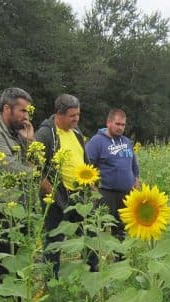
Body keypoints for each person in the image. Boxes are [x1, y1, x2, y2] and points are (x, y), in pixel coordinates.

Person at [35, 94, 97, 276]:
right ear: (59, 114)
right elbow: (35, 168)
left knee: (89, 236)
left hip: (80, 195)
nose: (76, 119)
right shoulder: (46, 134)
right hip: (57, 197)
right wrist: (51, 192)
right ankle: (50, 280)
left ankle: (92, 274)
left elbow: (85, 160)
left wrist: (92, 184)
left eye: (78, 114)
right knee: (54, 240)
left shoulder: (77, 133)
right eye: (72, 115)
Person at [0, 87, 34, 284]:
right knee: (1, 270)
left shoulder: (18, 134)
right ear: (7, 109)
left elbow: (34, 162)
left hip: (19, 209)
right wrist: (34, 172)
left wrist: (30, 141)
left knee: (19, 268)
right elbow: (12, 169)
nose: (26, 117)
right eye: (22, 111)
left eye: (28, 111)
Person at [85, 109, 140, 240]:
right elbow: (87, 164)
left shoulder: (126, 142)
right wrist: (92, 188)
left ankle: (119, 257)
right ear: (108, 123)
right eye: (117, 124)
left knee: (122, 228)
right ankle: (98, 256)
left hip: (126, 193)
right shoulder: (97, 141)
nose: (120, 128)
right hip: (106, 192)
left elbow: (133, 164)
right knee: (101, 226)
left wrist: (136, 180)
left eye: (123, 125)